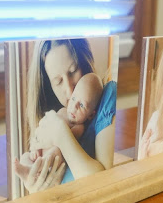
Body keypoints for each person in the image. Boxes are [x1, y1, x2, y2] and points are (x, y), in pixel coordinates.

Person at [14, 38, 117, 192]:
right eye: (58, 82)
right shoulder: (53, 116)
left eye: (73, 71)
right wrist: (36, 186)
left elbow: (101, 185)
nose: (70, 90)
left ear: (83, 62)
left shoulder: (108, 97)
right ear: (49, 87)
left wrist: (60, 133)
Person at [20, 72, 104, 169]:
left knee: (56, 151)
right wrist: (36, 146)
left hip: (53, 157)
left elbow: (63, 139)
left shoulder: (79, 127)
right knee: (25, 157)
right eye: (73, 98)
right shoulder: (62, 111)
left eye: (81, 105)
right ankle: (28, 170)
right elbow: (45, 125)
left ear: (91, 115)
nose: (74, 106)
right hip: (41, 147)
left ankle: (39, 167)